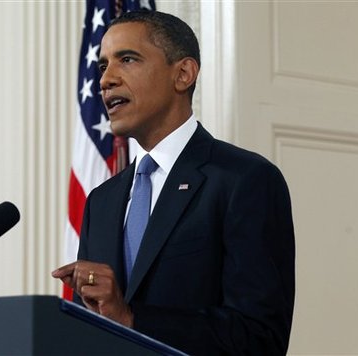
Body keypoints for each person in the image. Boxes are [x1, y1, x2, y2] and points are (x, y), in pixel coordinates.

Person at [52, 10, 295, 355]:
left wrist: (133, 318)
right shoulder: (100, 201)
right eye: (103, 65)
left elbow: (260, 338)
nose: (106, 80)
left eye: (128, 59)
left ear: (182, 74)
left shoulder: (245, 180)